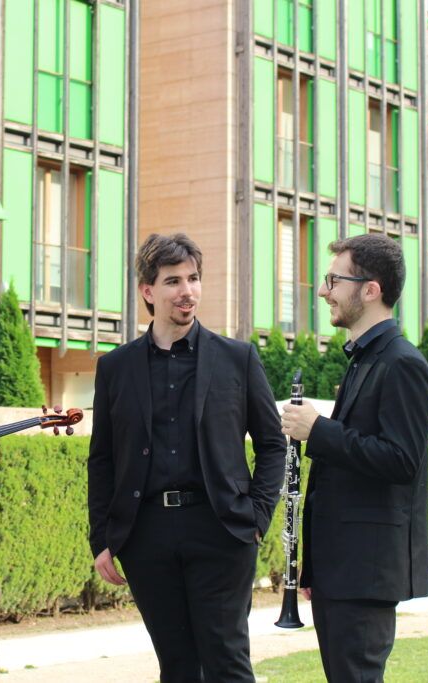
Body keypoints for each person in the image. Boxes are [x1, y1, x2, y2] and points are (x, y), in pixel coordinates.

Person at [88, 233, 286, 682]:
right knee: (176, 667)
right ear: (148, 292)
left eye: (194, 279)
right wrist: (102, 536)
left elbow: (273, 443)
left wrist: (257, 517)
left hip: (221, 529)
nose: (187, 291)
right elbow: (102, 459)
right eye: (173, 280)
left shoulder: (237, 358)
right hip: (147, 536)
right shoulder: (115, 367)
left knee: (227, 662)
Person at [280, 233, 428, 683]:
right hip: (342, 570)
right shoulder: (364, 360)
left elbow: (401, 461)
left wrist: (318, 431)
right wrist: (316, 567)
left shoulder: (401, 363)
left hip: (364, 572)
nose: (325, 291)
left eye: (334, 280)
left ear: (371, 289)